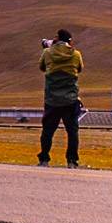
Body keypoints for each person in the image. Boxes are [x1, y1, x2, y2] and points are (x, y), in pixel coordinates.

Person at [38, 28, 83, 168]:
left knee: (48, 131)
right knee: (72, 131)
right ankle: (72, 161)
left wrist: (50, 50)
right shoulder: (76, 54)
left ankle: (44, 159)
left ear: (56, 39)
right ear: (69, 41)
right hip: (70, 99)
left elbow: (42, 67)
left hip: (52, 100)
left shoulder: (47, 52)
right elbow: (80, 68)